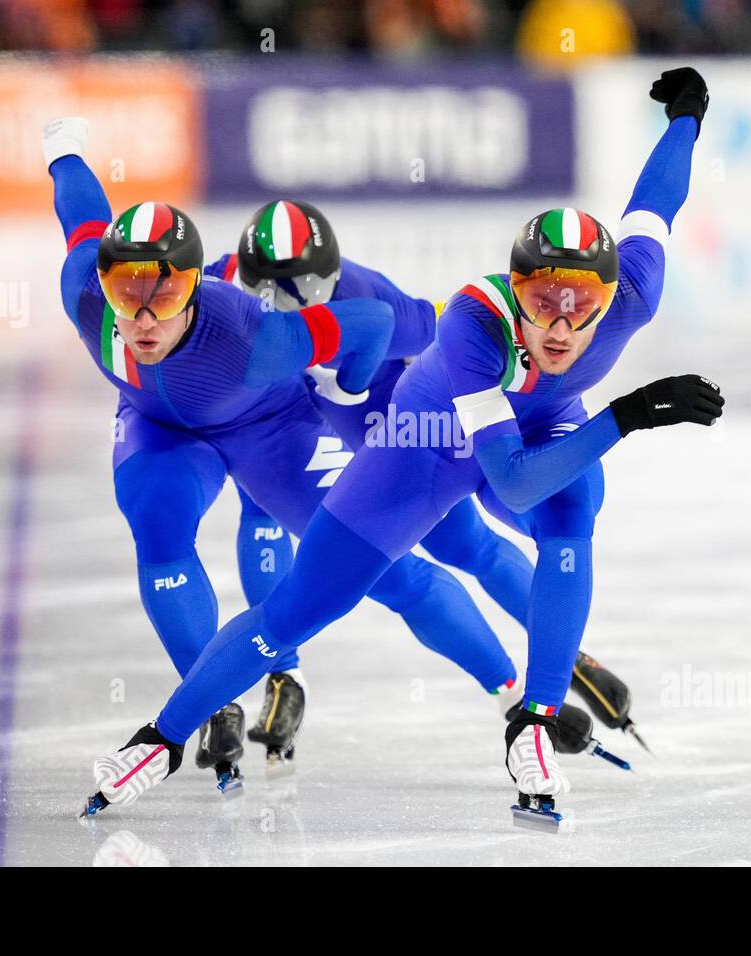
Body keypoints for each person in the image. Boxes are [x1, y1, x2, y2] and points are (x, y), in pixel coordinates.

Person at [81, 67, 724, 826]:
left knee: (569, 520)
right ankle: (160, 738)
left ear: (612, 299)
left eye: (579, 305)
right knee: (300, 608)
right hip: (426, 443)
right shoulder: (474, 327)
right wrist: (626, 415)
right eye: (539, 301)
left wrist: (686, 116)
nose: (556, 325)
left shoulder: (634, 291)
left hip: (514, 423)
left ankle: (534, 719)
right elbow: (508, 482)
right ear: (512, 290)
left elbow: (652, 206)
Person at [43, 117, 546, 795]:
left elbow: (380, 322)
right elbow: (81, 214)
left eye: (162, 294)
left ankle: (507, 693)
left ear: (193, 287)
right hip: (159, 427)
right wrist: (63, 147)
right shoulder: (85, 295)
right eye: (124, 292)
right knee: (158, 526)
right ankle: (213, 700)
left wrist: (353, 381)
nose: (141, 317)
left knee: (383, 569)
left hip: (268, 430)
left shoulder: (257, 336)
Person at [206, 199, 647, 771]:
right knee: (329, 538)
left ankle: (518, 688)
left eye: (314, 286)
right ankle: (287, 670)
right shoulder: (212, 291)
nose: (298, 304)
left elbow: (442, 324)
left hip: (389, 421)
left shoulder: (364, 295)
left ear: (335, 275)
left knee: (443, 550)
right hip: (289, 422)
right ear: (242, 278)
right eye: (274, 293)